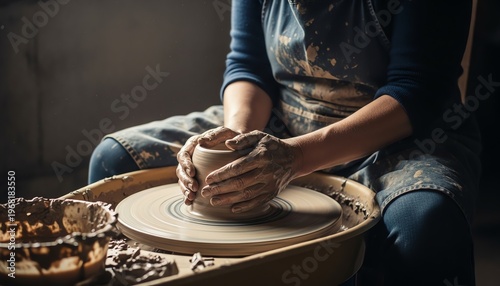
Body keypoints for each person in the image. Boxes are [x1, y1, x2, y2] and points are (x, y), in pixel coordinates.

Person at [89, 0, 481, 285]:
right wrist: (237, 136)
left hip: (395, 132)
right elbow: (248, 65)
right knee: (115, 159)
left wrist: (296, 157)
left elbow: (418, 90)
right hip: (280, 118)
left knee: (424, 228)